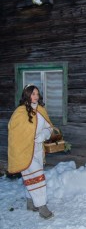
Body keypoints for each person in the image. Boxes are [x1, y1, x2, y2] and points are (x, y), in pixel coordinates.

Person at [8, 84, 54, 219]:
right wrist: (26, 138)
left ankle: (30, 202)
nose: (35, 96)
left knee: (31, 177)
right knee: (38, 177)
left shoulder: (41, 110)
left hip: (39, 151)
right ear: (27, 95)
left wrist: (43, 136)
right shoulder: (20, 112)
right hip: (24, 151)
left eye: (37, 94)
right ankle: (42, 206)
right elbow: (13, 131)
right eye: (33, 94)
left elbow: (50, 128)